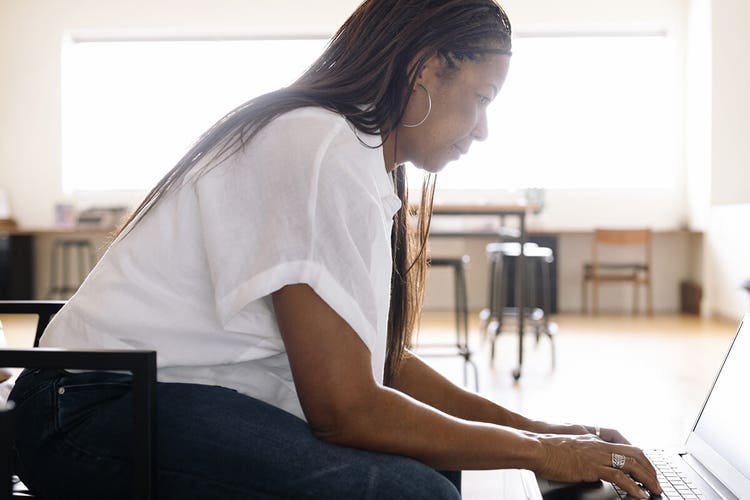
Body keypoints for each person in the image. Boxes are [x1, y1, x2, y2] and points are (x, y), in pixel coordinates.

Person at [9, 0, 662, 498]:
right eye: (482, 99)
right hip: (86, 413)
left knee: (444, 472)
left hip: (138, 398)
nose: (485, 129)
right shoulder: (320, 146)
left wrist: (546, 436)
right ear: (426, 67)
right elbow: (345, 408)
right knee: (420, 493)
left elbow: (382, 367)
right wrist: (536, 453)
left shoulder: (353, 156)